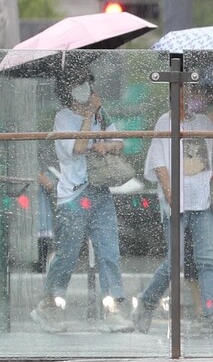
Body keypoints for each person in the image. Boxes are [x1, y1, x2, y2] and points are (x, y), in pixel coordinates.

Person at [30, 69, 135, 334]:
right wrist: (88, 117)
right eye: (78, 83)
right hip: (74, 196)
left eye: (87, 81)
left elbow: (119, 142)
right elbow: (76, 149)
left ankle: (113, 309)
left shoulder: (103, 113)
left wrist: (105, 145)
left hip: (100, 191)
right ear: (67, 88)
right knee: (67, 254)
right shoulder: (63, 118)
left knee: (109, 251)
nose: (85, 87)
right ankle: (49, 305)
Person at [132, 85, 213, 334]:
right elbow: (158, 162)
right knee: (174, 261)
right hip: (176, 202)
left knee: (206, 260)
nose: (194, 98)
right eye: (188, 93)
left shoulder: (204, 122)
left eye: (198, 93)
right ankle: (146, 302)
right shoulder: (164, 121)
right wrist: (169, 194)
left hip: (204, 201)